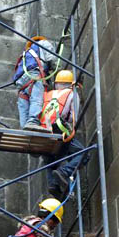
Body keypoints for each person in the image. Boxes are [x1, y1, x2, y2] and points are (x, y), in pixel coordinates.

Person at [39, 70, 89, 200]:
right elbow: (73, 117)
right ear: (70, 84)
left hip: (43, 131)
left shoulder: (47, 95)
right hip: (59, 129)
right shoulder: (71, 94)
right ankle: (64, 172)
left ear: (56, 84)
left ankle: (53, 185)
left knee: (50, 159)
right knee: (83, 154)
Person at [13, 37, 56, 131]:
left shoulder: (26, 53)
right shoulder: (44, 43)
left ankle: (24, 127)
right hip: (34, 75)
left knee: (24, 102)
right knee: (37, 99)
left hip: (21, 81)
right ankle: (32, 122)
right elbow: (51, 59)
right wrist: (57, 68)